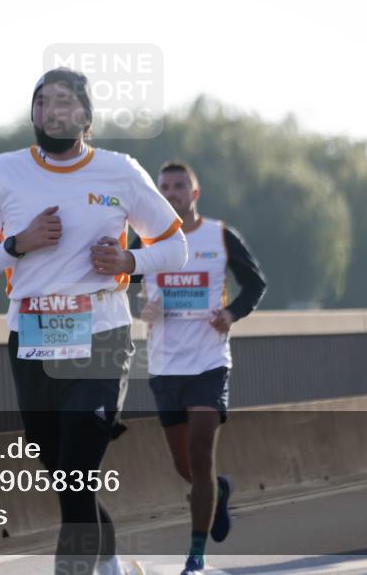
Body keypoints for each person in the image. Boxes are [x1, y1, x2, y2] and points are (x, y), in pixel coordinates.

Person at [0, 67, 187, 575]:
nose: (49, 111)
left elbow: (175, 246)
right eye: (40, 101)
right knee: (68, 479)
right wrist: (17, 244)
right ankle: (112, 565)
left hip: (100, 334)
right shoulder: (3, 172)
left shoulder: (119, 171)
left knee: (78, 466)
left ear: (85, 115)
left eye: (61, 101)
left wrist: (130, 262)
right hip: (31, 341)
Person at [130, 162, 266, 575]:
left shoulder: (220, 236)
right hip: (165, 363)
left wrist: (230, 313)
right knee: (185, 467)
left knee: (201, 451)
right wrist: (145, 307)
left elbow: (255, 283)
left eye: (178, 186)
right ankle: (219, 492)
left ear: (195, 193)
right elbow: (122, 279)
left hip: (209, 360)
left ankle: (195, 555)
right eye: (164, 187)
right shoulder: (146, 238)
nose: (171, 193)